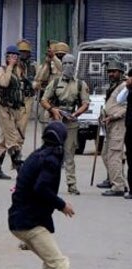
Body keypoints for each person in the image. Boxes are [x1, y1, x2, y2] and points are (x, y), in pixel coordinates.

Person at [9, 121, 108, 269]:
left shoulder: (38, 155)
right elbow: (41, 188)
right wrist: (62, 205)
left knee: (50, 260)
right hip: (29, 223)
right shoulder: (51, 159)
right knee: (59, 261)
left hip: (20, 220)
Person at [40, 53, 90, 195]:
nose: (68, 66)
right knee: (50, 153)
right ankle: (46, 184)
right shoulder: (55, 83)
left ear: (75, 66)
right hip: (56, 121)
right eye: (65, 63)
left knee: (69, 154)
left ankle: (72, 185)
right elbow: (44, 100)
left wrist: (75, 114)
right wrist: (52, 110)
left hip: (71, 122)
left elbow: (85, 103)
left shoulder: (80, 84)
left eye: (71, 63)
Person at [0, 45, 27, 180]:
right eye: (11, 56)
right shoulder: (1, 70)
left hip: (15, 110)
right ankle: (20, 169)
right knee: (12, 139)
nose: (14, 59)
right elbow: (4, 83)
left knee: (5, 139)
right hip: (4, 109)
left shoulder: (18, 71)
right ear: (6, 57)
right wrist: (10, 66)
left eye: (16, 56)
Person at [98, 58, 128, 197]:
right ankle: (114, 179)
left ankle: (118, 186)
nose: (111, 74)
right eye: (109, 71)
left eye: (114, 71)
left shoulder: (124, 87)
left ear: (121, 72)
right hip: (109, 124)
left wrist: (113, 116)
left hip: (118, 124)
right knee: (105, 154)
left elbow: (126, 107)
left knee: (114, 155)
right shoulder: (113, 86)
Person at [115, 69, 132, 199]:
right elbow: (119, 100)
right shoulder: (129, 90)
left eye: (129, 78)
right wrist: (127, 87)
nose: (128, 80)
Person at [17, 39, 37, 139]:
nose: (23, 54)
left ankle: (18, 145)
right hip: (15, 96)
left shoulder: (33, 66)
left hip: (27, 97)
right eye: (21, 52)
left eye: (25, 52)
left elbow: (39, 78)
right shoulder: (14, 65)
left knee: (23, 122)